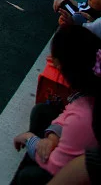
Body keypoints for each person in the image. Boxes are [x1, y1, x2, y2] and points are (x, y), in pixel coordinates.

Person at [12, 25, 100, 183]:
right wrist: (52, 136)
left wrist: (29, 139)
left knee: (28, 176)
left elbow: (56, 167)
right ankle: (38, 151)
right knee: (41, 111)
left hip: (72, 171)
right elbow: (67, 113)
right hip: (78, 146)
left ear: (59, 64)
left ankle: (33, 158)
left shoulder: (83, 117)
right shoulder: (88, 91)